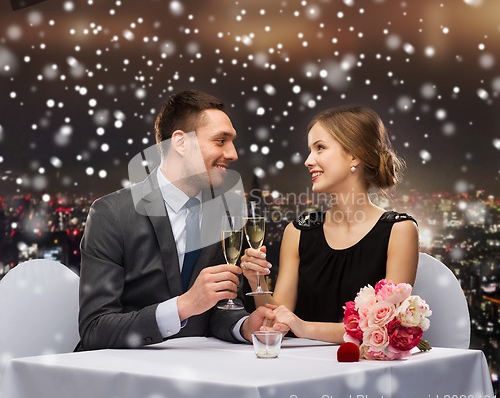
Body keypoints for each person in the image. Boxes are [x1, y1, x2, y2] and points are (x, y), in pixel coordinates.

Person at [78, 90, 272, 350]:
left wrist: (244, 327)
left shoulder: (225, 212)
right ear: (180, 143)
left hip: (201, 373)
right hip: (125, 375)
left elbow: (223, 306)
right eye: (220, 141)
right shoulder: (111, 214)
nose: (233, 153)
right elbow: (95, 329)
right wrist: (183, 306)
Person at [240, 106, 419, 343]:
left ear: (355, 155)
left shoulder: (399, 230)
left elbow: (387, 328)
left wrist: (304, 327)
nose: (307, 161)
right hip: (301, 369)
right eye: (310, 150)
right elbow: (276, 319)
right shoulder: (298, 231)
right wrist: (257, 281)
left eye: (320, 148)